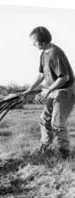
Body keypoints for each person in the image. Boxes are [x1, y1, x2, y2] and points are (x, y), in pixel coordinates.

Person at [23, 26, 75, 159]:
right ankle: (45, 147)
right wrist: (30, 89)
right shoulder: (44, 54)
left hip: (65, 90)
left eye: (34, 42)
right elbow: (41, 75)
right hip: (54, 90)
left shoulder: (56, 53)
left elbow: (64, 77)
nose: (33, 44)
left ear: (43, 41)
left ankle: (65, 154)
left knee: (57, 123)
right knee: (44, 119)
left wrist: (48, 90)